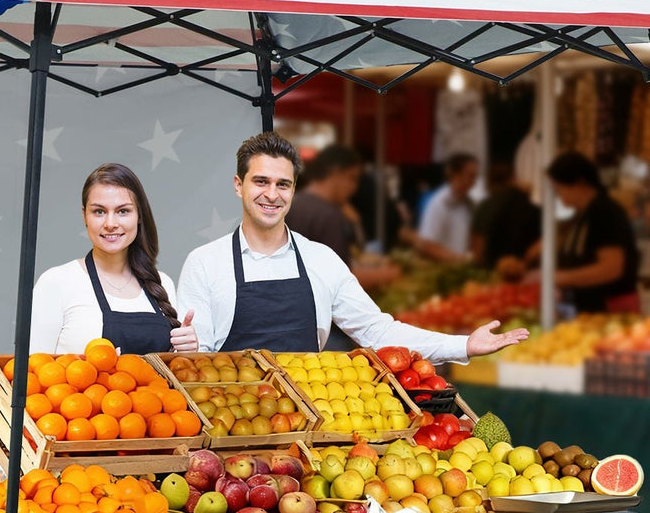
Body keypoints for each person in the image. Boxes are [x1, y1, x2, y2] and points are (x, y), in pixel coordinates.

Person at [176, 132, 528, 360]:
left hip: (309, 425)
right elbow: (198, 355)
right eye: (261, 181)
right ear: (239, 185)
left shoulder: (320, 259)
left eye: (283, 184)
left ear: (295, 190)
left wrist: (463, 344)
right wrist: (188, 348)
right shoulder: (205, 263)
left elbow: (377, 331)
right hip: (230, 429)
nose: (272, 194)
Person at [29, 163, 199, 355]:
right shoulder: (57, 282)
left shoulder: (162, 283)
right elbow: (32, 372)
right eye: (99, 211)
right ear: (84, 215)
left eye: (123, 211)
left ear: (139, 216)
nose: (110, 224)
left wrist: (187, 353)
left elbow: (170, 372)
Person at [537, 151, 639, 314]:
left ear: (579, 183)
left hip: (611, 309)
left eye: (559, 189)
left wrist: (558, 278)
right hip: (590, 309)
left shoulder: (604, 212)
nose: (559, 196)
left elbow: (611, 268)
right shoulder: (583, 215)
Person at [285, 143, 362, 263]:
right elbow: (339, 274)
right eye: (352, 178)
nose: (354, 187)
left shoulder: (291, 203)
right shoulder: (329, 215)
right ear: (336, 172)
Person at [469, 161, 541, 271]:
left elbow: (478, 245)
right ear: (514, 178)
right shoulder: (529, 203)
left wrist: (479, 267)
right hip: (526, 270)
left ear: (489, 182)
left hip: (493, 270)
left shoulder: (486, 205)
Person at [415, 152, 479, 263]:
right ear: (455, 175)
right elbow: (426, 245)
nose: (473, 182)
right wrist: (457, 259)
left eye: (475, 177)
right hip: (443, 270)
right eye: (470, 176)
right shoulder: (438, 204)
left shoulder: (470, 204)